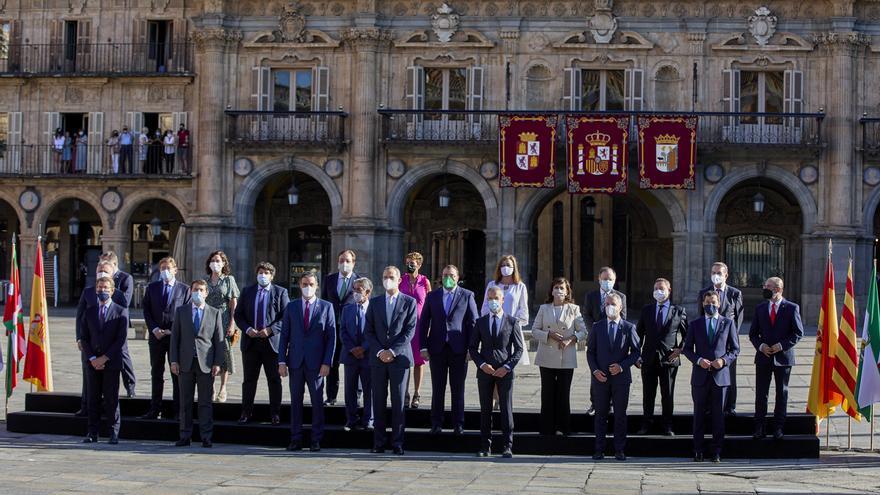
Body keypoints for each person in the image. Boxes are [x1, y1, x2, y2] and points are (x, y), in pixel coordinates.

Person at [278, 271, 336, 452]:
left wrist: (327, 362)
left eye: (311, 284)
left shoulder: (327, 307)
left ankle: (316, 439)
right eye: (304, 284)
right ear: (300, 285)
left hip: (317, 363)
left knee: (317, 401)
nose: (307, 287)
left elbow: (331, 337)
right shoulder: (292, 307)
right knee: (296, 401)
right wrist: (281, 361)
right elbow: (284, 335)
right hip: (295, 362)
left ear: (317, 286)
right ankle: (296, 438)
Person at [419, 264, 478, 434]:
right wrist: (423, 346)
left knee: (457, 388)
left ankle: (458, 423)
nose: (448, 278)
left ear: (457, 278)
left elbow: (473, 323)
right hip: (437, 348)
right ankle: (436, 423)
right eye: (445, 275)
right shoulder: (432, 296)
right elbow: (424, 323)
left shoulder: (467, 295)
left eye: (452, 275)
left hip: (459, 349)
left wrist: (471, 348)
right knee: (438, 388)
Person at [364, 266, 417, 455]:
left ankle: (397, 442)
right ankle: (378, 442)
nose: (388, 280)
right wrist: (380, 351)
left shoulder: (409, 302)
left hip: (400, 359)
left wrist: (392, 351)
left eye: (391, 277)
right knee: (378, 401)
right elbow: (368, 330)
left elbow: (409, 330)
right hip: (378, 359)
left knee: (398, 402)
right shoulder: (375, 302)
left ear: (399, 279)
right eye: (385, 276)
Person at [683, 291, 740, 463]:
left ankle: (716, 451)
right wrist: (699, 360)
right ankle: (698, 450)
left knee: (718, 416)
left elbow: (735, 350)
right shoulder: (695, 324)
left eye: (714, 302)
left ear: (719, 303)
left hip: (720, 377)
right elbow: (687, 349)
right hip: (700, 377)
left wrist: (723, 361)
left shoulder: (728, 323)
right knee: (699, 415)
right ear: (702, 303)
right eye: (707, 302)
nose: (711, 305)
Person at [470, 287, 524, 458]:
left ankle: (507, 445)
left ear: (502, 300)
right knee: (486, 409)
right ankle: (485, 446)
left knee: (506, 409)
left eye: (496, 298)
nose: (493, 301)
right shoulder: (481, 322)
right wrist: (482, 364)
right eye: (490, 298)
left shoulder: (512, 321)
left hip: (504, 371)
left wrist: (507, 367)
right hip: (485, 371)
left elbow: (519, 349)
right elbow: (473, 348)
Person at [170, 280, 224, 448]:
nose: (197, 293)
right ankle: (185, 435)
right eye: (195, 289)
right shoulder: (181, 311)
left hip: (206, 364)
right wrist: (173, 360)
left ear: (206, 293)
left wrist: (217, 362)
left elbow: (219, 341)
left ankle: (206, 436)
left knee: (205, 402)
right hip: (185, 363)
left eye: (201, 290)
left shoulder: (214, 313)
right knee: (185, 401)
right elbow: (175, 338)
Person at [233, 262, 289, 425]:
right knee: (249, 380)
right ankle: (246, 412)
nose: (262, 275)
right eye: (260, 272)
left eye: (266, 273)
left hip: (271, 343)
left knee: (274, 380)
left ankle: (275, 414)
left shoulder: (280, 292)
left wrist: (271, 330)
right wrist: (247, 328)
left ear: (272, 275)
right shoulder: (247, 291)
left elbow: (285, 317)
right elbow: (238, 315)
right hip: (251, 343)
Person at [749, 277, 804, 440]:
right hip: (763, 357)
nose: (765, 289)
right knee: (761, 394)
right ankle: (760, 427)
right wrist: (760, 346)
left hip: (783, 358)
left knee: (782, 393)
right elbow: (753, 333)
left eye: (768, 287)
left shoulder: (792, 308)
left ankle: (778, 428)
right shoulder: (760, 308)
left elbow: (798, 333)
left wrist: (782, 345)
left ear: (778, 289)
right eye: (764, 286)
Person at [531, 277, 587, 437]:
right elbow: (535, 330)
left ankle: (564, 427)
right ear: (551, 290)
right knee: (547, 393)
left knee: (563, 393)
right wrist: (548, 334)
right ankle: (546, 428)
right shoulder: (544, 308)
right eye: (556, 288)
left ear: (567, 291)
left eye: (562, 288)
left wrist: (571, 339)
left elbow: (583, 332)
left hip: (566, 356)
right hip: (546, 356)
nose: (559, 291)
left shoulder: (574, 309)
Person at [587, 293, 640, 461]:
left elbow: (637, 352)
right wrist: (595, 371)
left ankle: (619, 449)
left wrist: (622, 366)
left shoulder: (629, 327)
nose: (610, 306)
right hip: (601, 378)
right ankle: (599, 449)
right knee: (601, 414)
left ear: (620, 307)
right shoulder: (597, 326)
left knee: (620, 415)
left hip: (621, 380)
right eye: (607, 303)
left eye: (613, 304)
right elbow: (590, 352)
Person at [74, 261, 130, 417]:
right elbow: (81, 316)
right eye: (99, 270)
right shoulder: (88, 292)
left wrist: (105, 357)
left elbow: (121, 327)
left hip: (111, 350)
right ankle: (86, 409)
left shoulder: (117, 295)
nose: (102, 273)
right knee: (90, 384)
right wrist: (80, 339)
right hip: (91, 347)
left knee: (111, 392)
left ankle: (112, 424)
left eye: (105, 271)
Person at [140, 257, 191, 420]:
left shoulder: (184, 289)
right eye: (162, 268)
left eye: (168, 268)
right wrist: (154, 328)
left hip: (175, 338)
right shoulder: (152, 288)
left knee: (177, 373)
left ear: (175, 270)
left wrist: (172, 331)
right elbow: (146, 309)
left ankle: (178, 411)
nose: (165, 271)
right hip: (156, 337)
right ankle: (155, 409)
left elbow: (186, 313)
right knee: (156, 372)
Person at [79, 276, 128, 445]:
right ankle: (92, 432)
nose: (102, 290)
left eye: (106, 288)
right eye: (99, 288)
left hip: (111, 362)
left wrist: (104, 358)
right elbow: (84, 337)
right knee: (93, 399)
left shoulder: (120, 311)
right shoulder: (90, 311)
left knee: (111, 398)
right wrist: (93, 358)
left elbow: (120, 340)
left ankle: (113, 432)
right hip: (92, 363)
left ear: (112, 290)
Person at [636, 278, 688, 436]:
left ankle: (667, 425)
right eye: (656, 288)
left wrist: (680, 349)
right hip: (648, 358)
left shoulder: (678, 311)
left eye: (662, 288)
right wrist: (636, 355)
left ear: (669, 290)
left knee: (668, 394)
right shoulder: (647, 310)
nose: (659, 291)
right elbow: (638, 335)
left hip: (669, 359)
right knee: (648, 394)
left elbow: (688, 335)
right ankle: (646, 423)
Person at [698, 262, 744, 416]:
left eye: (719, 272)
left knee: (729, 373)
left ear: (726, 275)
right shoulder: (704, 292)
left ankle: (730, 405)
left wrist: (731, 337)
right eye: (713, 272)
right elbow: (700, 316)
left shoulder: (735, 293)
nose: (715, 275)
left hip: (727, 340)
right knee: (709, 374)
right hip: (709, 340)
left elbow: (738, 317)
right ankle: (710, 405)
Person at [582, 266, 627, 416]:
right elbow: (586, 315)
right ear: (599, 279)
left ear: (614, 281)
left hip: (614, 341)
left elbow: (624, 318)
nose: (607, 282)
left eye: (610, 279)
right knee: (596, 372)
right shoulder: (591, 296)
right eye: (604, 279)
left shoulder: (621, 296)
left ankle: (612, 404)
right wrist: (594, 330)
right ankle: (595, 403)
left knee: (614, 373)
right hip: (596, 340)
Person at [320, 249, 359, 406]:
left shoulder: (359, 281)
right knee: (332, 362)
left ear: (353, 263)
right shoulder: (329, 279)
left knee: (354, 364)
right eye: (342, 260)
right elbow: (323, 302)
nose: (344, 263)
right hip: (332, 328)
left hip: (352, 330)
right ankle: (331, 396)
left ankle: (356, 397)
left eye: (348, 261)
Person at [99, 251, 137, 397]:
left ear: (113, 264)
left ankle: (130, 386)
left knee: (122, 353)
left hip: (118, 320)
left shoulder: (125, 278)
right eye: (100, 265)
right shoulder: (99, 280)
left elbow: (125, 301)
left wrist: (109, 289)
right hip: (102, 321)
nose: (102, 268)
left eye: (105, 264)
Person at [340, 277, 375, 431]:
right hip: (351, 355)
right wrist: (352, 348)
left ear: (367, 292)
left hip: (369, 355)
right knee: (350, 389)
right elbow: (343, 331)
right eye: (354, 289)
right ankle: (351, 419)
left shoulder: (374, 308)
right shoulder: (347, 309)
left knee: (369, 389)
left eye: (359, 290)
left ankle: (369, 419)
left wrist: (364, 348)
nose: (355, 293)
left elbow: (376, 332)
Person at [204, 251, 239, 403]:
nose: (215, 263)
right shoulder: (205, 281)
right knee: (208, 352)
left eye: (218, 260)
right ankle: (210, 387)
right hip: (208, 319)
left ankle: (223, 387)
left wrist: (232, 322)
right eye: (213, 260)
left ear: (224, 263)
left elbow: (233, 302)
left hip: (224, 318)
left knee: (224, 351)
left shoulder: (228, 280)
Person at [400, 251, 430, 409]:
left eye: (413, 262)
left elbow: (430, 302)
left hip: (420, 325)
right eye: (408, 261)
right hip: (404, 325)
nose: (410, 264)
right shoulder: (401, 280)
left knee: (419, 361)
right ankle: (404, 392)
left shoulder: (424, 281)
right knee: (404, 360)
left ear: (419, 264)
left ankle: (417, 393)